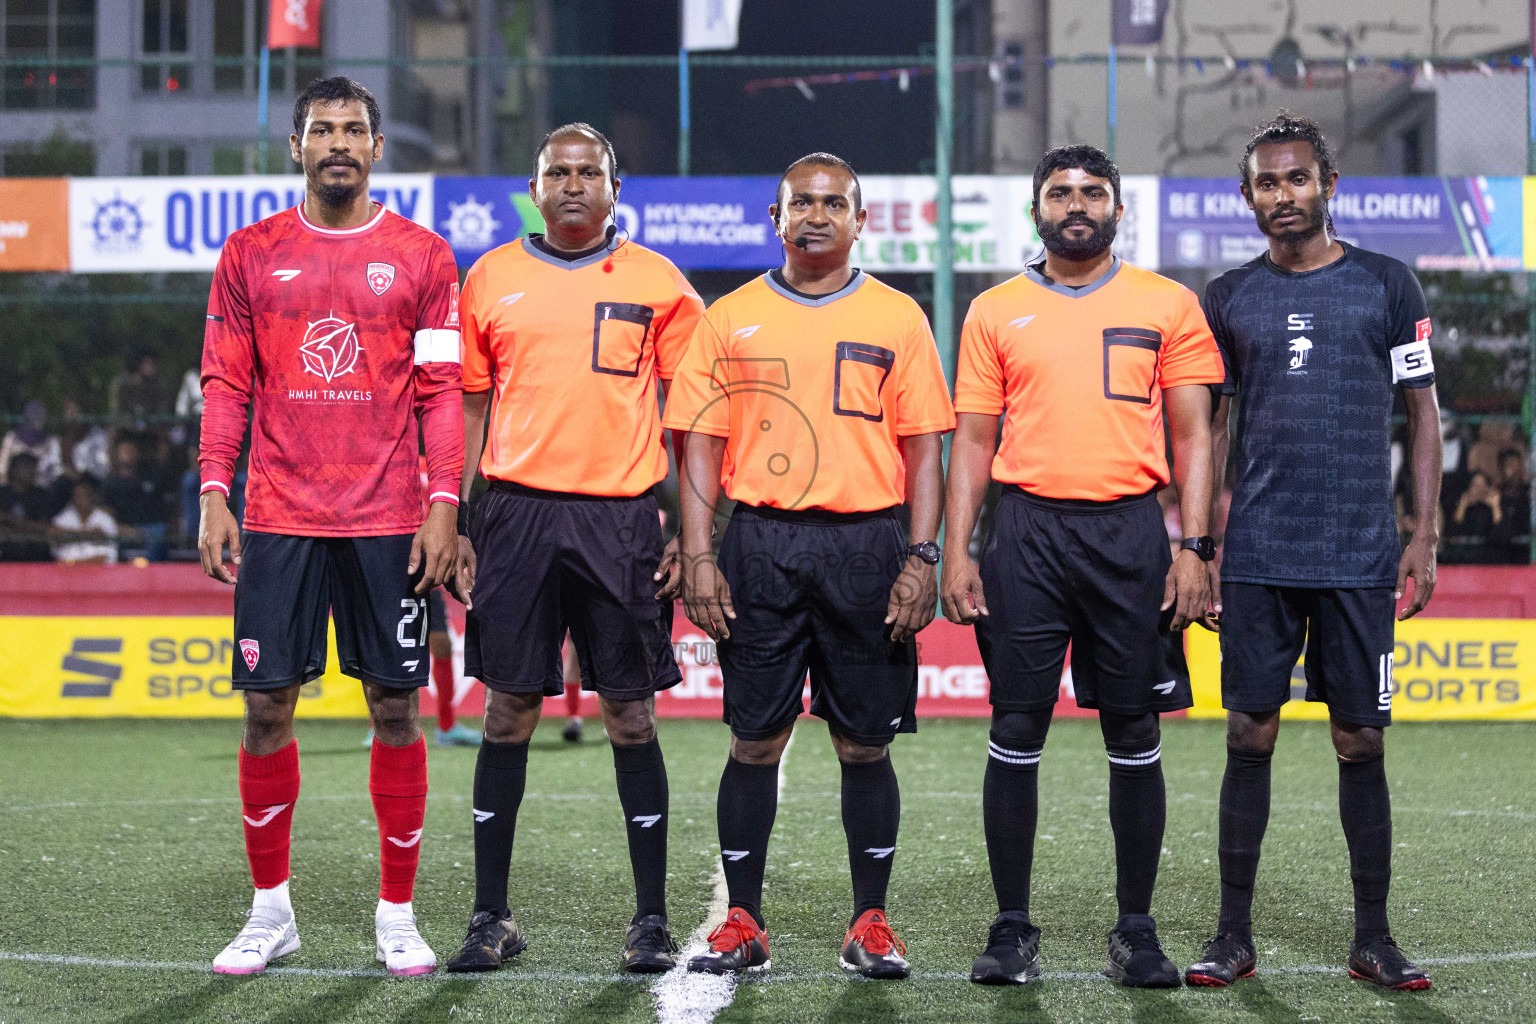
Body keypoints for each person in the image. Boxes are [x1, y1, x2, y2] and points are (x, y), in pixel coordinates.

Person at [197, 76, 463, 976]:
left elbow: (440, 394)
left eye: (354, 129)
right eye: (322, 129)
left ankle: (398, 911)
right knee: (266, 709)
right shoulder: (249, 254)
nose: (338, 142)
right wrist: (212, 490)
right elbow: (228, 381)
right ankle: (271, 910)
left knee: (397, 707)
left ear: (378, 147)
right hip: (278, 517)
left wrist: (443, 505)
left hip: (389, 520)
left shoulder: (423, 257)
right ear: (297, 147)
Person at [667, 152, 955, 980]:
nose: (818, 215)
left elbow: (924, 448)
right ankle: (743, 923)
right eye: (803, 203)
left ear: (861, 221)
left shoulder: (898, 316)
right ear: (776, 216)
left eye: (835, 203)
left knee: (865, 745)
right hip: (760, 543)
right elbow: (700, 443)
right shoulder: (731, 315)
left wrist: (922, 555)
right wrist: (699, 554)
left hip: (867, 545)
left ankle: (870, 920)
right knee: (754, 739)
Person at [943, 144, 1220, 988]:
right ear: (1036, 211)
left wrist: (1194, 546)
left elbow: (1194, 435)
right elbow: (975, 443)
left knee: (1133, 732)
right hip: (1024, 533)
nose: (1075, 203)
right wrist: (955, 547)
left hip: (1130, 536)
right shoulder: (994, 310)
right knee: (1016, 728)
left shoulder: (1168, 303)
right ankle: (1011, 927)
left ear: (1117, 208)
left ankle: (1136, 929)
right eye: (1059, 192)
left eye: (1092, 191)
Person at [1185, 112, 1440, 992]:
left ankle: (1374, 937)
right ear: (1247, 196)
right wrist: (1203, 543)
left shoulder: (1386, 283)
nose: (1283, 195)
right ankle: (1230, 936)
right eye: (1267, 182)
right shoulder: (1228, 296)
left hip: (1361, 553)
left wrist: (1424, 532)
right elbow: (1213, 424)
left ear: (1330, 184)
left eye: (1298, 179)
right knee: (1248, 731)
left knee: (1360, 740)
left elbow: (1423, 413)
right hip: (1257, 552)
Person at [447, 123, 702, 975]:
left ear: (614, 187)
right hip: (514, 515)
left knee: (630, 713)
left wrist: (691, 531)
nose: (572, 184)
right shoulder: (488, 277)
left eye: (588, 171)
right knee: (508, 708)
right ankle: (490, 917)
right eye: (556, 172)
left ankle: (652, 921)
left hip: (621, 521)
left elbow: (694, 417)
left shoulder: (661, 283)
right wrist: (451, 511)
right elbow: (470, 410)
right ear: (534, 185)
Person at [101, 438, 169, 562]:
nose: (129, 454)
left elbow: (163, 508)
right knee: (113, 542)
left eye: (132, 450)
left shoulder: (150, 476)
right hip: (124, 529)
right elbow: (106, 514)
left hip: (151, 527)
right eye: (125, 450)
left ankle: (153, 573)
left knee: (159, 536)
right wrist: (122, 528)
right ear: (117, 454)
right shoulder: (110, 483)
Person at [0, 452, 63, 561]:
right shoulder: (2, 494)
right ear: (14, 470)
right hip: (7, 559)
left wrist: (12, 520)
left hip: (37, 558)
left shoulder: (41, 495)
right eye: (27, 467)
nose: (33, 472)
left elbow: (46, 527)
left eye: (34, 468)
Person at [51, 476, 118, 564]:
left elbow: (107, 556)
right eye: (76, 495)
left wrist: (69, 534)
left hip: (99, 572)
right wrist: (90, 533)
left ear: (92, 496)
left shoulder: (105, 519)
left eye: (83, 495)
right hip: (68, 573)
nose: (79, 500)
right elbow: (57, 554)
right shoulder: (64, 518)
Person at [0, 400, 63, 487]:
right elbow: (2, 467)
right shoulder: (12, 438)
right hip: (15, 489)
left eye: (42, 417)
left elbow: (54, 471)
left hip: (40, 489)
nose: (39, 421)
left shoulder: (49, 442)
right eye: (36, 416)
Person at [109, 349, 172, 429]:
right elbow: (117, 411)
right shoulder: (122, 384)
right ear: (139, 364)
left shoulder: (159, 386)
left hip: (151, 429)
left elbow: (162, 411)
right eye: (148, 363)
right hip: (127, 430)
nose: (152, 367)